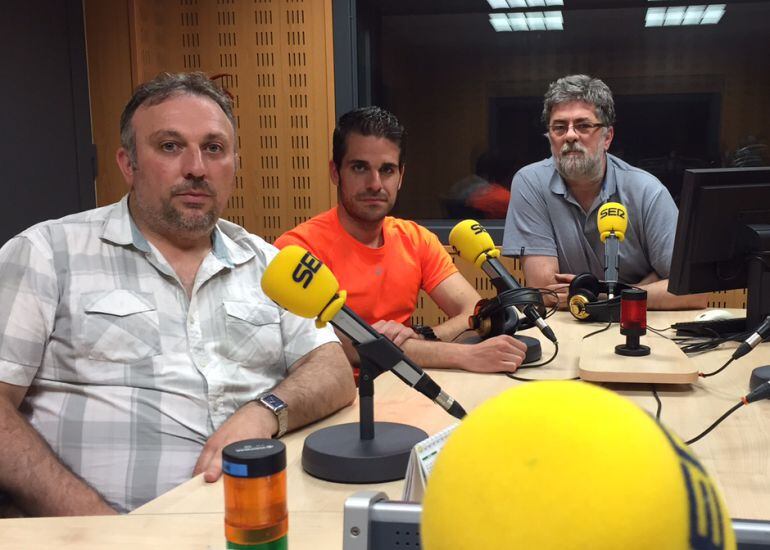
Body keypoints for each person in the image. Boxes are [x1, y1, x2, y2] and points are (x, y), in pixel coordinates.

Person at [0, 72, 356, 516]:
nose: (197, 168)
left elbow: (333, 370)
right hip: (104, 530)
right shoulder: (46, 253)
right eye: (170, 146)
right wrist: (98, 525)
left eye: (214, 148)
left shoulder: (268, 264)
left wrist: (265, 411)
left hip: (259, 522)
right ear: (128, 164)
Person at [275, 107, 527, 373]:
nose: (375, 183)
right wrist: (462, 355)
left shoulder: (416, 239)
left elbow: (474, 314)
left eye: (387, 170)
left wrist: (422, 337)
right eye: (360, 167)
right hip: (338, 394)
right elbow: (331, 345)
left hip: (407, 383)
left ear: (400, 177)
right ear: (335, 172)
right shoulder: (298, 250)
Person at [502, 74, 707, 310]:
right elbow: (547, 292)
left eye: (583, 126)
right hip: (565, 326)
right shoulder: (531, 183)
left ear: (607, 137)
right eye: (559, 127)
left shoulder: (647, 191)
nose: (570, 135)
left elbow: (694, 292)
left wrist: (601, 296)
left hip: (638, 323)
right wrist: (643, 288)